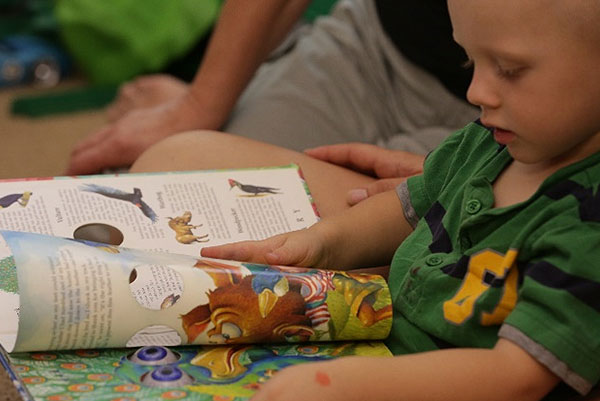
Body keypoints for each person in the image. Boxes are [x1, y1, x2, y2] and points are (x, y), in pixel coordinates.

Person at [135, 0, 600, 399]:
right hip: (373, 339)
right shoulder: (489, 140)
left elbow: (516, 379)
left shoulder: (587, 225)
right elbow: (406, 206)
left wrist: (341, 384)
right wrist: (322, 243)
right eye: (469, 62)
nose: (476, 91)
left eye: (509, 69)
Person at [66, 0, 479, 179]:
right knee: (175, 176)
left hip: (502, 120)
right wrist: (196, 108)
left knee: (363, 253)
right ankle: (219, 99)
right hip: (375, 49)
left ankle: (235, 100)